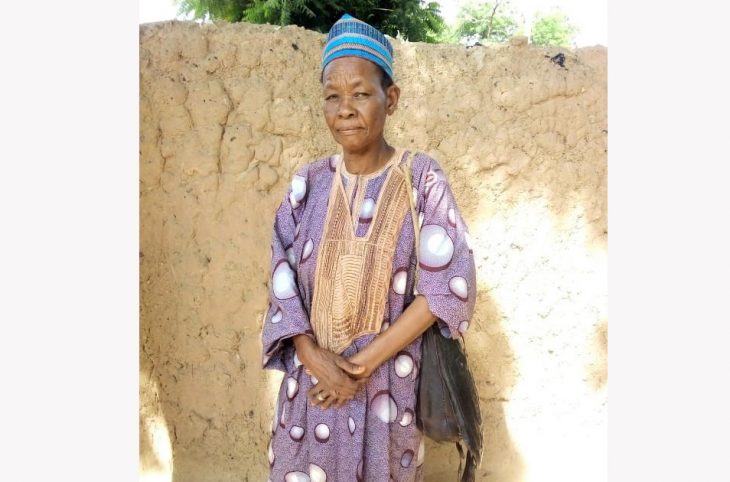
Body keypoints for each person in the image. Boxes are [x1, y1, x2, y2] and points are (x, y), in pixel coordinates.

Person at [260, 13, 476, 482]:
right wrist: (316, 359)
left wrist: (357, 368)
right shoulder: (308, 184)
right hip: (309, 391)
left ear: (390, 98)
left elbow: (446, 289)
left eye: (360, 93)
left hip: (388, 392)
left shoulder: (422, 179)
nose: (345, 109)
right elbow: (282, 285)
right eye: (332, 96)